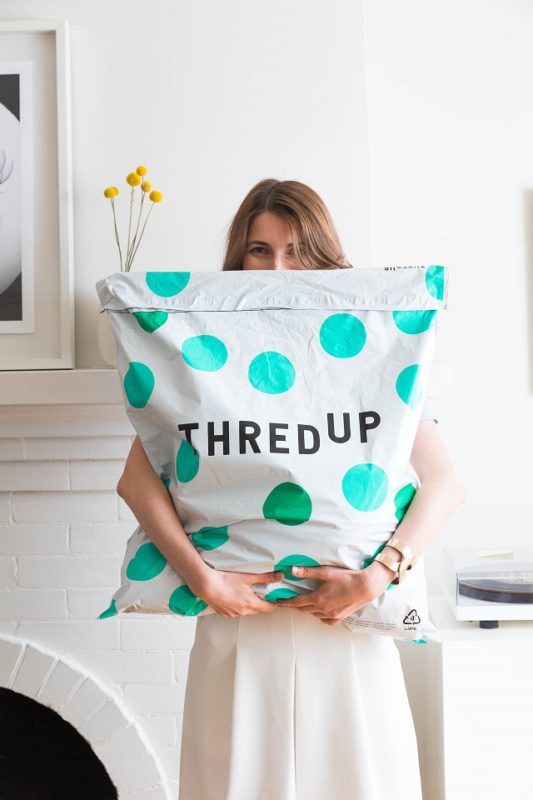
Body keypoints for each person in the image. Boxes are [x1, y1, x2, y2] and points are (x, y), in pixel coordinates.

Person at [116, 179, 466, 800]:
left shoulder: (373, 357)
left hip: (350, 629)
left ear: (327, 260)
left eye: (297, 250)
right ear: (238, 260)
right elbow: (136, 483)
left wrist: (377, 577)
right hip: (239, 630)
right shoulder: (203, 367)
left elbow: (445, 483)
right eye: (260, 250)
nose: (278, 269)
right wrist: (204, 581)